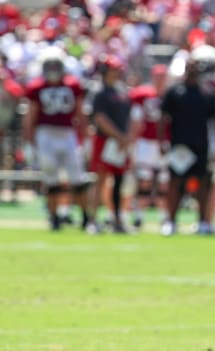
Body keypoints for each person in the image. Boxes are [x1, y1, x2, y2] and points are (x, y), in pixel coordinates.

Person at [23, 46, 90, 231]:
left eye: (56, 65)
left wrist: (84, 139)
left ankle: (85, 217)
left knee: (78, 178)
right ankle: (54, 218)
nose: (53, 70)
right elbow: (31, 116)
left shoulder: (73, 85)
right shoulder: (37, 87)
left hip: (67, 133)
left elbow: (80, 113)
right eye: (49, 66)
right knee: (51, 178)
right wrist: (29, 142)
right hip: (45, 133)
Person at [158, 45, 215, 236]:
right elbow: (163, 118)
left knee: (202, 183)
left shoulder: (207, 93)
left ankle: (203, 221)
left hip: (200, 144)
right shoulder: (175, 92)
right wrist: (162, 141)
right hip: (179, 144)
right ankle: (170, 220)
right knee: (175, 182)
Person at [87, 54, 132, 234]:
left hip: (119, 142)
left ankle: (117, 218)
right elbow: (100, 119)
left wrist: (126, 138)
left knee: (120, 181)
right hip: (105, 141)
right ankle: (93, 219)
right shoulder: (100, 92)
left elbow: (128, 118)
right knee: (101, 179)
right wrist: (119, 136)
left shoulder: (121, 92)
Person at [128, 64, 170, 230]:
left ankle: (165, 217)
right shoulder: (142, 94)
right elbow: (135, 120)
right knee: (144, 181)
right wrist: (132, 142)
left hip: (165, 142)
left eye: (163, 77)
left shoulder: (170, 95)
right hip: (145, 142)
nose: (160, 80)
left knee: (163, 183)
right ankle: (138, 216)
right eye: (158, 77)